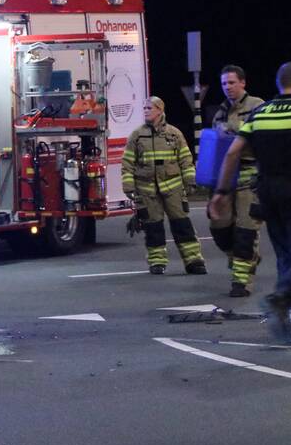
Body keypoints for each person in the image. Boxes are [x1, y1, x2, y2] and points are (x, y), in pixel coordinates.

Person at [210, 63, 291, 340]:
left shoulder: (260, 111)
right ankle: (281, 297)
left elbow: (232, 154)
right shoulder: (226, 110)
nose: (227, 87)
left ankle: (280, 300)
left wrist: (219, 191)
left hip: (266, 189)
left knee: (283, 252)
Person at [121, 96, 207, 275]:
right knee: (153, 228)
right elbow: (128, 163)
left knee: (182, 225)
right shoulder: (137, 136)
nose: (145, 111)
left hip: (173, 189)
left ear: (160, 110)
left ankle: (194, 261)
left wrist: (190, 181)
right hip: (147, 191)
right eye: (144, 108)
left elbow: (185, 159)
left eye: (149, 108)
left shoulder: (174, 134)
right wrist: (128, 186)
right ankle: (157, 262)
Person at [208, 65, 265, 297]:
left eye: (231, 83)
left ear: (243, 83)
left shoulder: (257, 106)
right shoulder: (219, 112)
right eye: (223, 84)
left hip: (250, 177)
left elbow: (263, 140)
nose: (227, 88)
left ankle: (241, 282)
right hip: (225, 177)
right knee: (219, 228)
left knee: (245, 232)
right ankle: (248, 258)